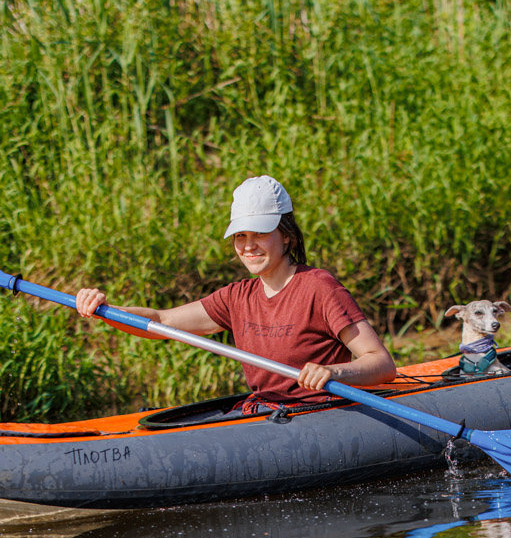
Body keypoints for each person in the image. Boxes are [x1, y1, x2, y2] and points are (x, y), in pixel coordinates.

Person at [76, 175, 396, 413]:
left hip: (318, 412)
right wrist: (106, 310)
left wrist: (333, 372)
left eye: (260, 233)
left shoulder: (319, 287)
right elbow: (162, 321)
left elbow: (381, 364)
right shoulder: (236, 298)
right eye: (240, 235)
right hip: (266, 412)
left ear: (287, 237)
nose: (248, 245)